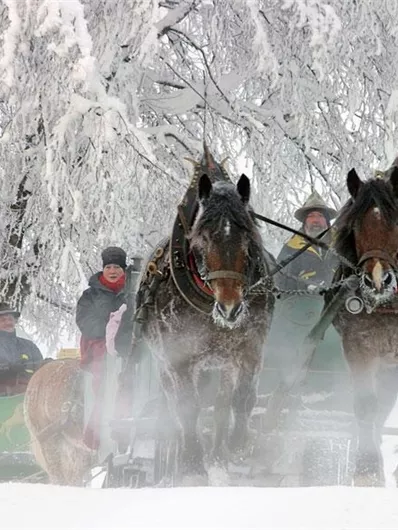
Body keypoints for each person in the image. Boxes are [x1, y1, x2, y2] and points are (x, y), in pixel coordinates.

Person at [76, 246, 133, 450]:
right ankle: (98, 426)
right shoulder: (90, 295)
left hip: (129, 344)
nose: (112, 270)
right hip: (99, 343)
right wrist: (109, 330)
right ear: (103, 269)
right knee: (104, 377)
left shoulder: (133, 290)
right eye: (108, 266)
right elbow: (84, 320)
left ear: (124, 269)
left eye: (117, 266)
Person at [275, 191, 338, 292]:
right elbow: (279, 283)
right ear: (304, 222)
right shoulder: (291, 248)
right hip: (302, 305)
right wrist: (304, 285)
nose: (316, 220)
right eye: (311, 216)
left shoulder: (343, 245)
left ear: (327, 221)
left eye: (320, 216)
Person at [0, 303, 43, 395]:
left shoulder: (29, 346)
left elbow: (40, 368)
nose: (8, 323)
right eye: (3, 320)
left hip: (27, 398)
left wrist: (47, 364)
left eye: (10, 319)